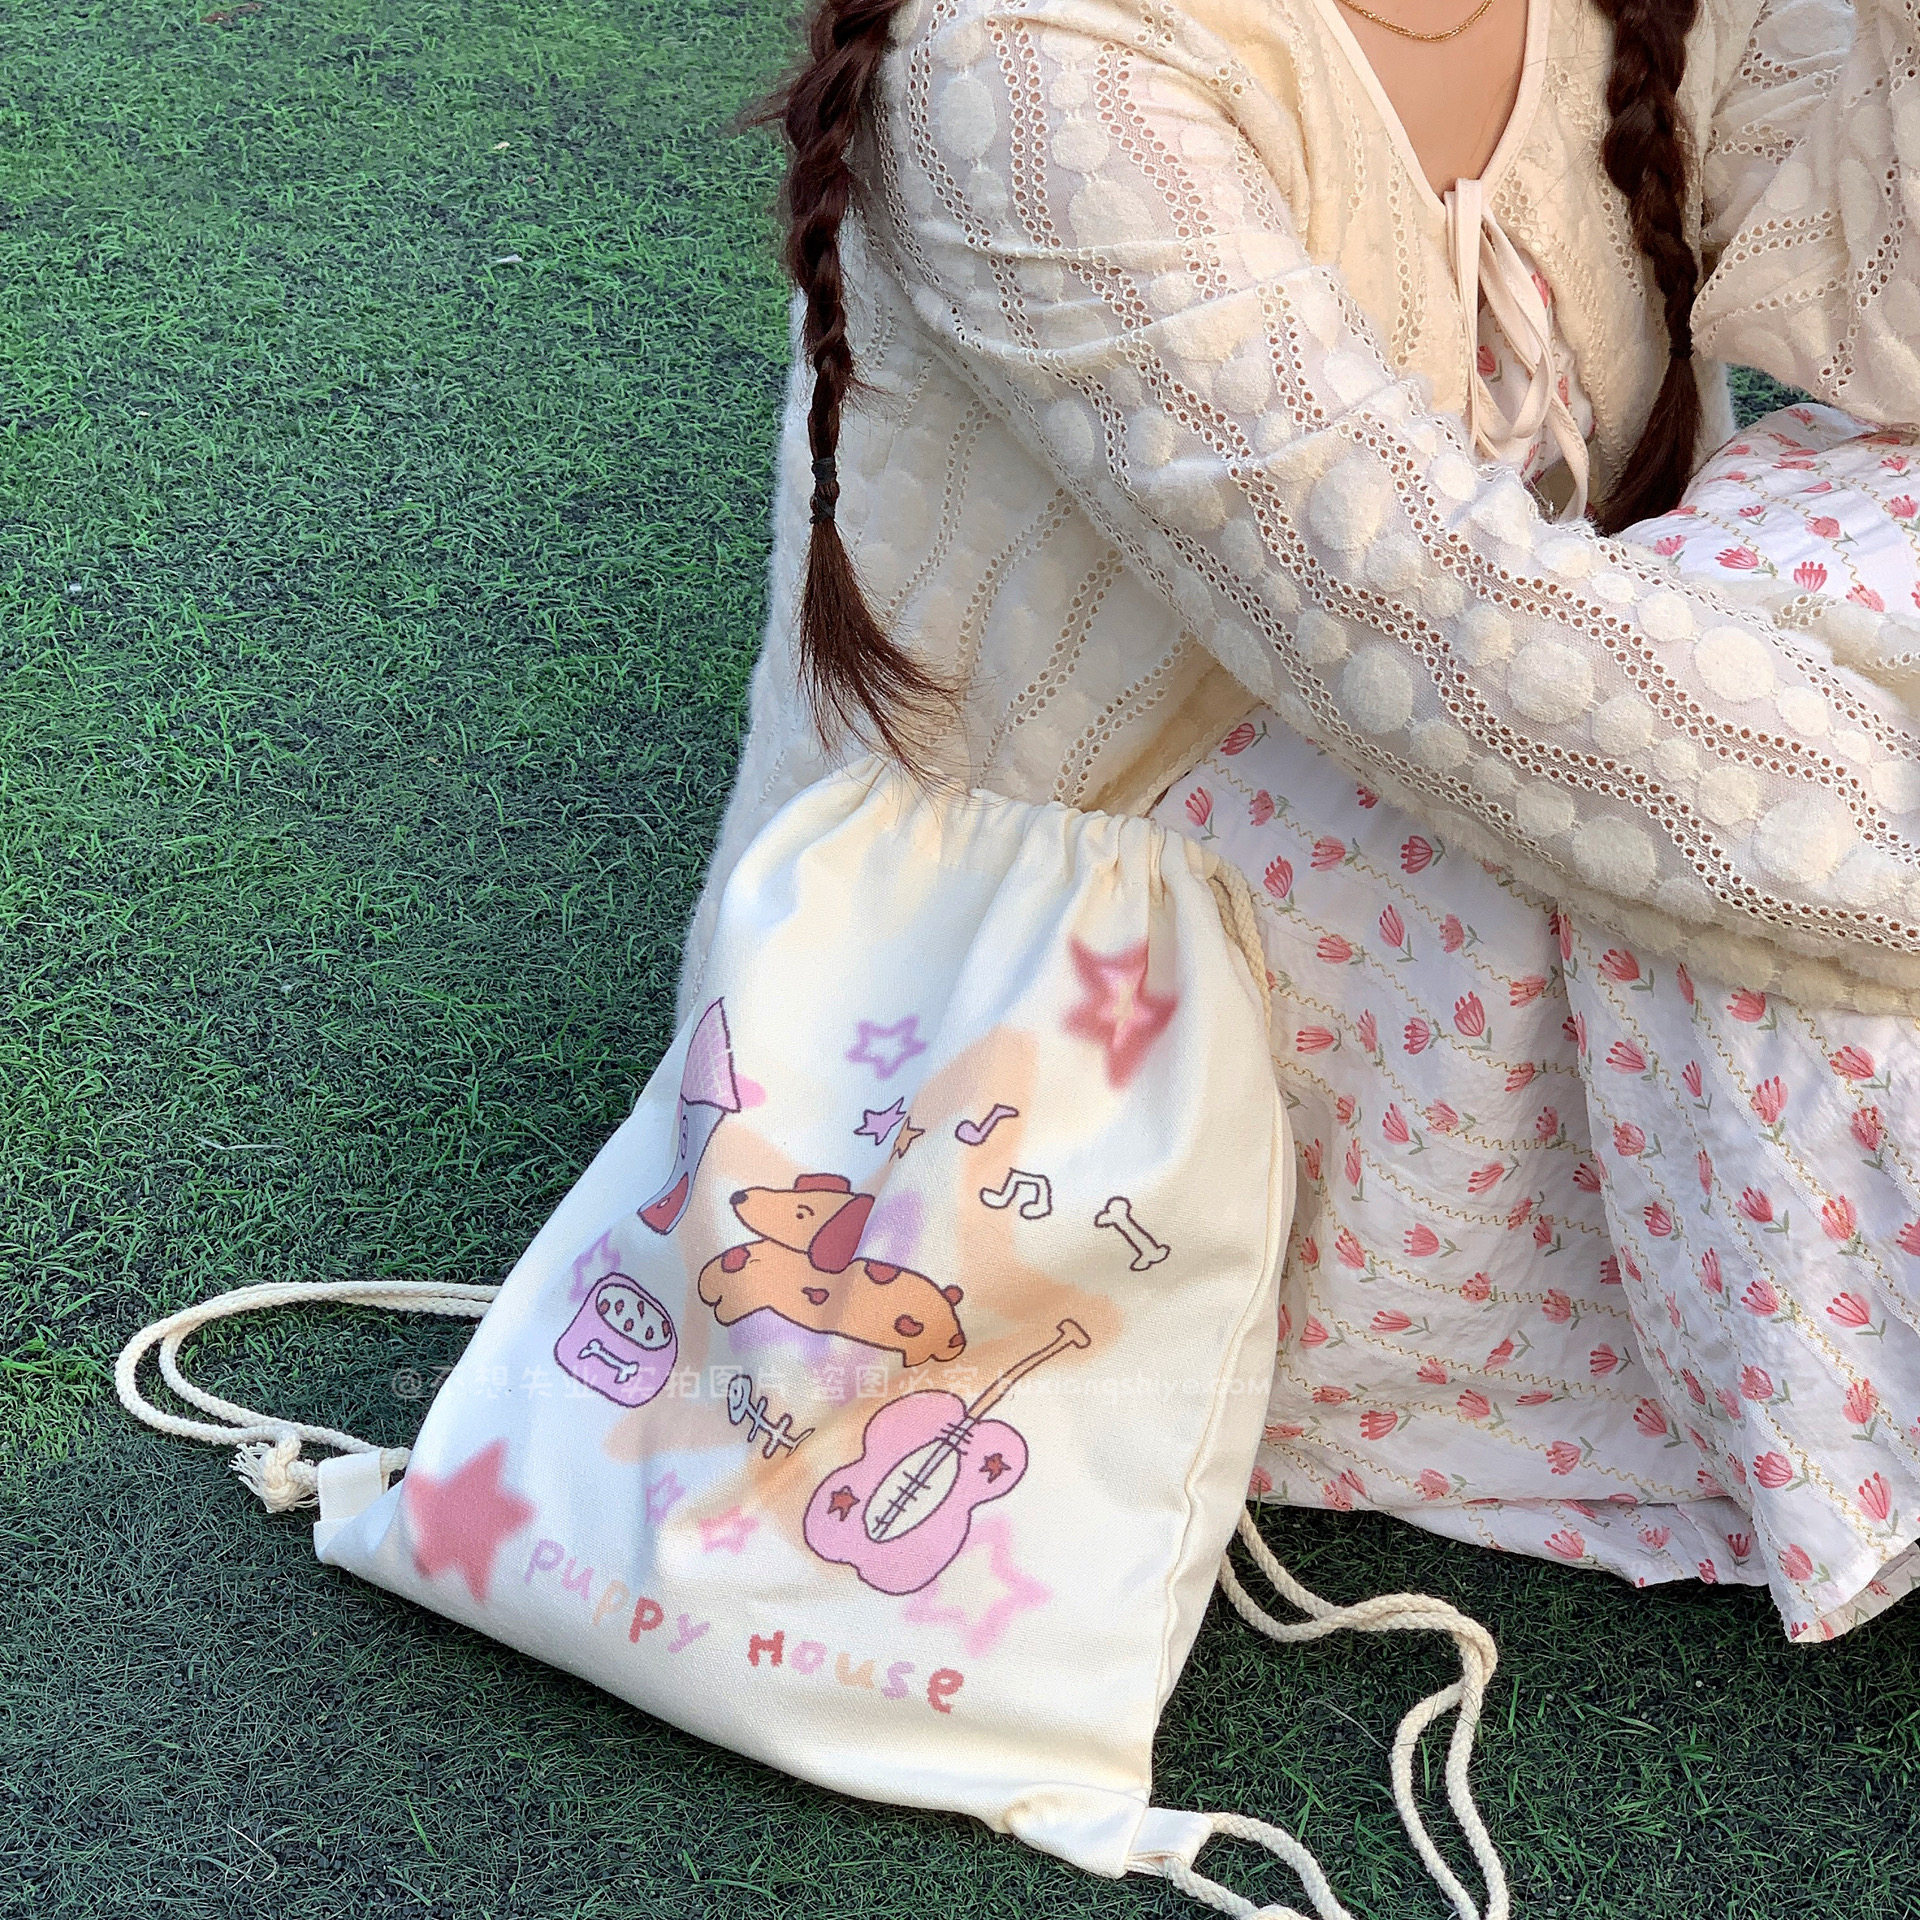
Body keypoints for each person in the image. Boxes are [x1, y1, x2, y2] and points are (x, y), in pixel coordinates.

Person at [680, 0, 1920, 1640]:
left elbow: (1888, 335)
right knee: (1797, 905)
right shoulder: (1025, 62)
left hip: (1490, 732)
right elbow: (1439, 634)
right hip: (1090, 986)